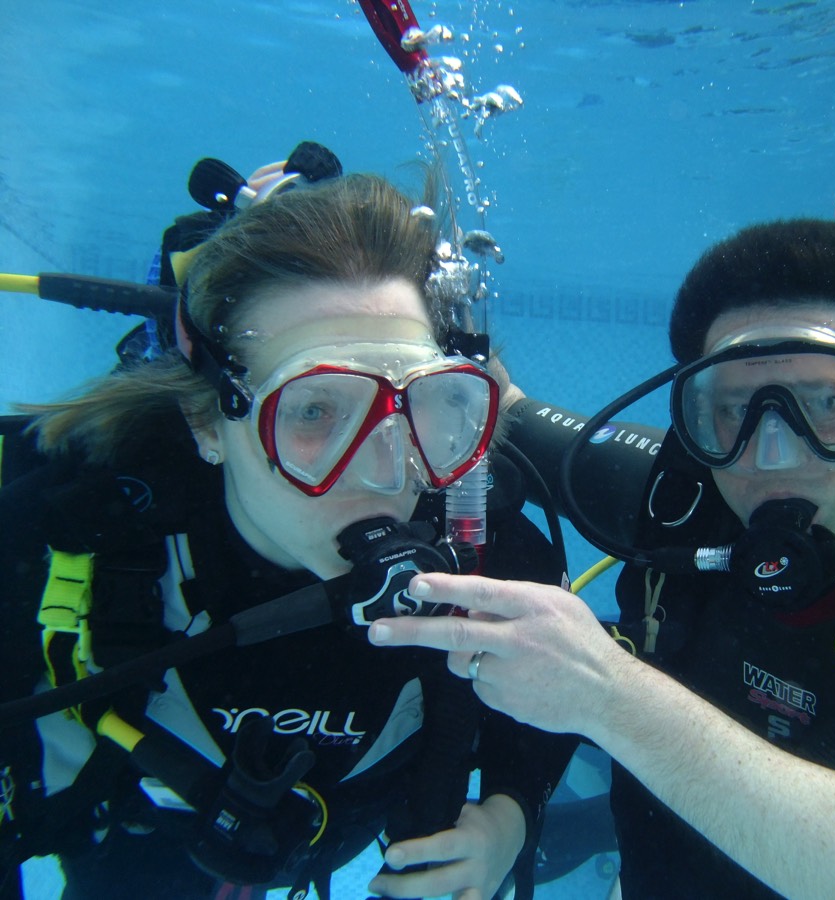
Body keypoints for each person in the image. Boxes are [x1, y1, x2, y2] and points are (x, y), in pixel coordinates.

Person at [369, 205, 835, 898]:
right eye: (731, 410)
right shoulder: (684, 505)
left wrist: (607, 695)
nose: (771, 455)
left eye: (826, 401)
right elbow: (504, 403)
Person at [0, 172, 576, 900]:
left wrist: (507, 821)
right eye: (313, 413)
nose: (384, 470)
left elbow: (559, 702)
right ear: (211, 421)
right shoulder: (61, 537)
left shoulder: (490, 554)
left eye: (421, 405)